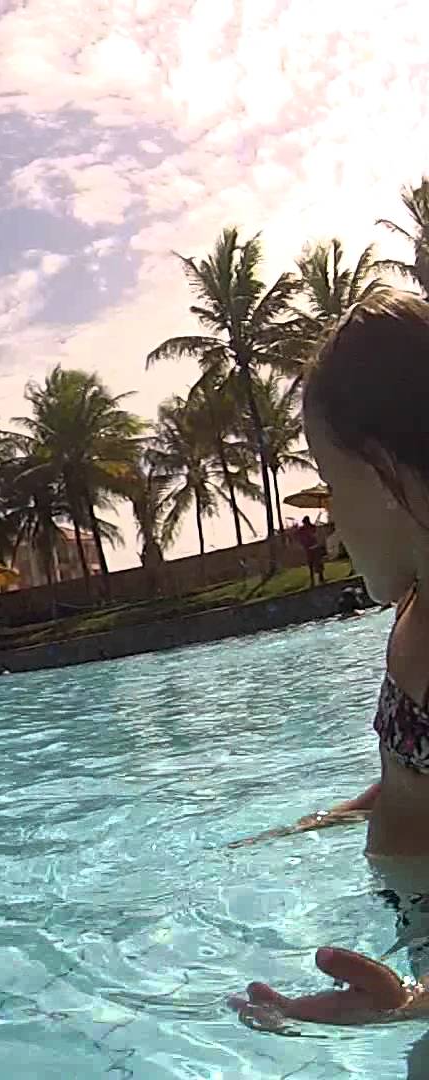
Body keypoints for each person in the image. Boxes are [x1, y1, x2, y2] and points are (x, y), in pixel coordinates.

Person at [231, 292, 429, 1030]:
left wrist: (409, 1006)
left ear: (386, 476)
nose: (331, 524)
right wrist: (329, 819)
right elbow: (411, 774)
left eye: (334, 487)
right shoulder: (414, 608)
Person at [296, 515, 326, 587]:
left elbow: (316, 536)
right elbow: (299, 537)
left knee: (318, 563)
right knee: (311, 565)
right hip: (309, 549)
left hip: (315, 547)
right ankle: (313, 580)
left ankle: (321, 577)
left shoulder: (313, 527)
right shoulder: (302, 530)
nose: (305, 524)